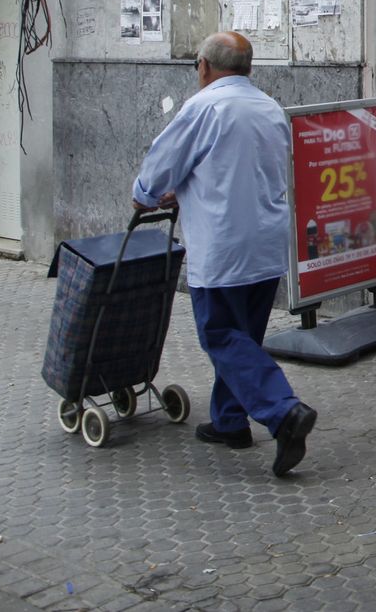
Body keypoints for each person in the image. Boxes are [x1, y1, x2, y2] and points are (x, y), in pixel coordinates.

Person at [132, 31, 318, 477]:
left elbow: (161, 167)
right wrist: (189, 191)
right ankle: (230, 422)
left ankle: (283, 410)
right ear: (248, 68)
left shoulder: (203, 108)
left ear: (204, 66)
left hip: (223, 244)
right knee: (243, 337)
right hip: (266, 243)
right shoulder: (270, 108)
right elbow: (237, 170)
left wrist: (145, 195)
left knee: (219, 334)